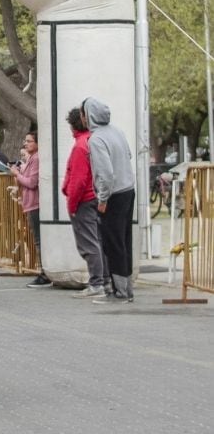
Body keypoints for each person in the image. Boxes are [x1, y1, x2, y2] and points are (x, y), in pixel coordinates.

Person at [81, 97, 136, 304]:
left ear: (89, 116)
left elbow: (105, 173)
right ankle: (127, 288)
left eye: (83, 114)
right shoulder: (117, 131)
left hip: (113, 195)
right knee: (124, 241)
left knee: (113, 244)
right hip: (128, 190)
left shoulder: (96, 139)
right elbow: (128, 155)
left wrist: (102, 198)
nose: (83, 119)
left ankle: (120, 292)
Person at [62, 107, 107, 299]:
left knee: (88, 244)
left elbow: (78, 180)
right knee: (97, 241)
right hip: (95, 197)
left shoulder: (81, 146)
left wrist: (72, 205)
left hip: (84, 200)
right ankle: (103, 280)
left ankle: (97, 283)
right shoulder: (93, 141)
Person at [10, 131, 50, 288]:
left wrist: (16, 174)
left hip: (35, 203)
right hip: (30, 203)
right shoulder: (33, 158)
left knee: (39, 240)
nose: (26, 144)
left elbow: (32, 182)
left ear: (38, 143)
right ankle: (44, 271)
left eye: (29, 141)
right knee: (37, 239)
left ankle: (44, 272)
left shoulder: (37, 159)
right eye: (25, 141)